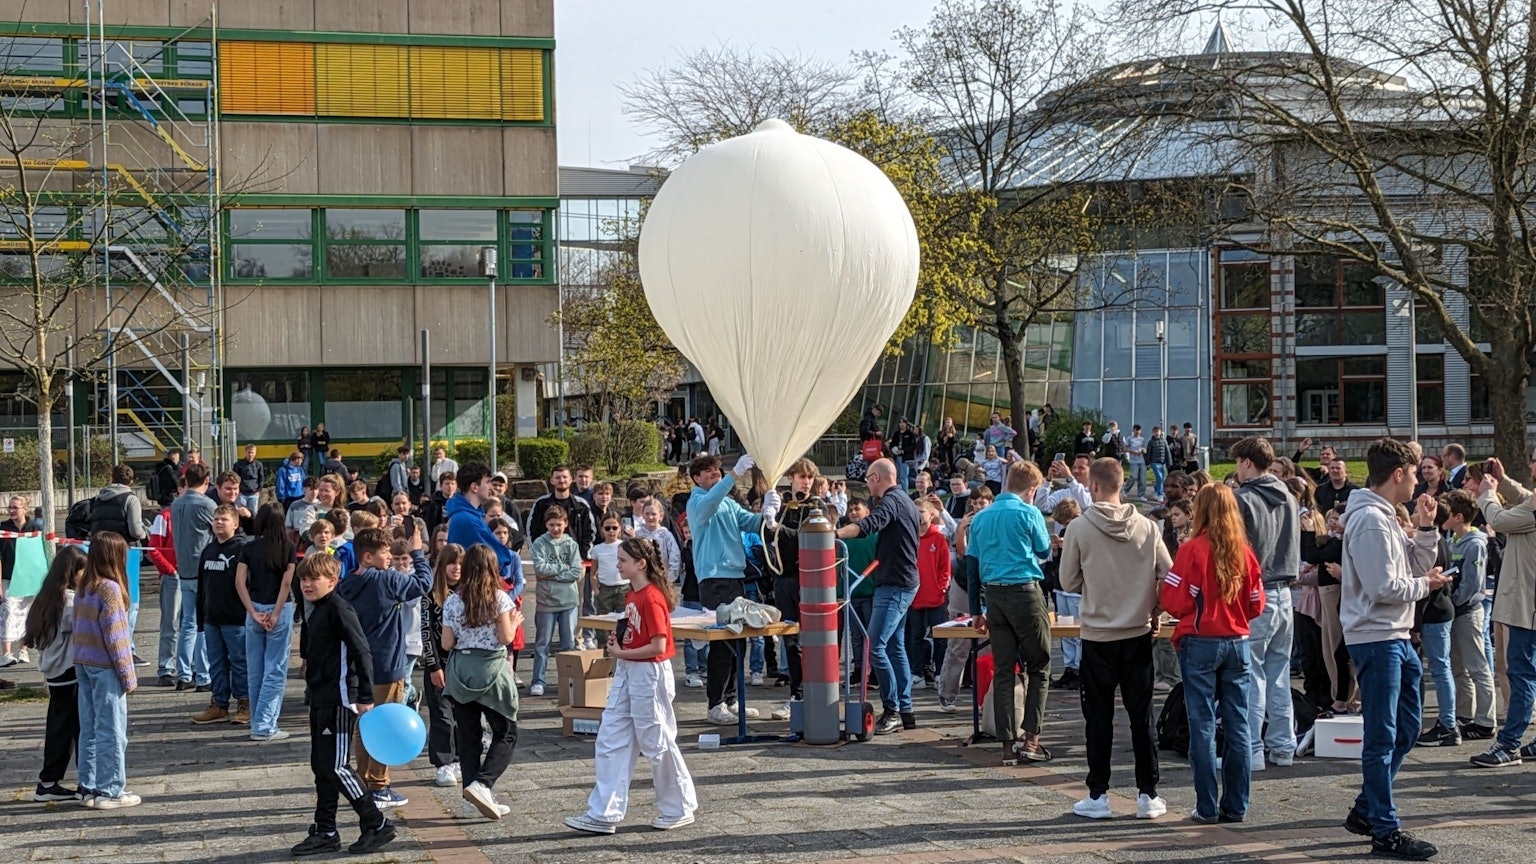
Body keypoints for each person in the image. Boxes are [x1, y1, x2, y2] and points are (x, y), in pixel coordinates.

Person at [1338, 438, 1448, 860]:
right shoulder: (1369, 519)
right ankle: (1384, 827)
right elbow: (1385, 587)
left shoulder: (1381, 516)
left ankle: (1368, 809)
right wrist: (1427, 585)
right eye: (1415, 472)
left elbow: (1413, 566)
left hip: (1395, 635)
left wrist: (1425, 528)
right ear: (1398, 474)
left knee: (1404, 728)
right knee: (1382, 735)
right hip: (1377, 636)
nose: (1419, 480)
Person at [1059, 458, 1171, 820]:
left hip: (1097, 633)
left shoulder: (1079, 527)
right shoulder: (1148, 527)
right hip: (1137, 631)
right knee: (1142, 716)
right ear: (1122, 483)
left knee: (1098, 717)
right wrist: (1154, 608)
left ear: (1093, 486)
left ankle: (1098, 794)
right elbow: (1168, 574)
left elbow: (1067, 582)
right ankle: (1147, 793)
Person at [566, 537, 698, 834]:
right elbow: (638, 634)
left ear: (641, 563)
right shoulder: (633, 596)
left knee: (656, 740)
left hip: (648, 673)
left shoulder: (651, 597)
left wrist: (622, 652)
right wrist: (621, 641)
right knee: (611, 737)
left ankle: (678, 806)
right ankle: (604, 812)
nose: (618, 565)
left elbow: (658, 645)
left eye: (623, 560)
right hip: (630, 671)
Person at [1159, 484, 1265, 824]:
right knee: (1239, 726)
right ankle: (1237, 805)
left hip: (1201, 640)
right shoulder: (1245, 552)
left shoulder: (1192, 550)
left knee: (1202, 725)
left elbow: (1173, 600)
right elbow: (1256, 604)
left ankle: (1206, 806)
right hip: (1237, 641)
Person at [289, 554, 395, 857]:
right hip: (320, 696)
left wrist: (364, 695)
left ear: (332, 581)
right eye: (304, 579)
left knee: (336, 766)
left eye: (314, 579)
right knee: (321, 767)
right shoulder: (315, 609)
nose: (307, 584)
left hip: (339, 698)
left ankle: (377, 823)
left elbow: (362, 650)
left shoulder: (338, 607)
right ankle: (325, 830)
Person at [336, 526, 432, 810]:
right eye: (384, 553)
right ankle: (379, 785)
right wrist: (417, 551)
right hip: (387, 665)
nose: (390, 557)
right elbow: (422, 583)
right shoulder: (386, 581)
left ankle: (364, 781)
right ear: (367, 557)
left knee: (363, 726)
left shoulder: (346, 584)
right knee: (385, 727)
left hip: (356, 667)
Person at [965, 461, 1052, 762]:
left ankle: (1006, 746)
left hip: (995, 597)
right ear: (1032, 489)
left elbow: (972, 568)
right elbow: (1043, 551)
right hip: (1025, 592)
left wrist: (976, 609)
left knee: (1004, 670)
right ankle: (1032, 740)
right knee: (1040, 666)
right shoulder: (1030, 512)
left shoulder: (981, 517)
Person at [836, 458, 921, 736]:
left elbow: (869, 524)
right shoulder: (905, 500)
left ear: (875, 478)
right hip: (901, 581)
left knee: (875, 646)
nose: (867, 485)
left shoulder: (891, 501)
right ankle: (905, 711)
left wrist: (832, 534)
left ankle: (893, 709)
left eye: (868, 479)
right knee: (894, 646)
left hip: (895, 584)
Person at [686, 453, 773, 725]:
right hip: (713, 579)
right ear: (697, 478)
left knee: (738, 641)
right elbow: (708, 507)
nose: (715, 476)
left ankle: (733, 698)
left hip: (735, 576)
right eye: (709, 473)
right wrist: (733, 475)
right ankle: (716, 702)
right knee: (723, 642)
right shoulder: (696, 501)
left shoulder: (728, 502)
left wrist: (768, 514)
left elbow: (748, 522)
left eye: (717, 472)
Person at [1229, 436, 1300, 770]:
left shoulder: (1243, 499)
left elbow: (1235, 550)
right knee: (1279, 673)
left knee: (1252, 673)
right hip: (1285, 591)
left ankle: (1252, 749)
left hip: (1257, 592)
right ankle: (1284, 746)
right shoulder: (1288, 494)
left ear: (1246, 462)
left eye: (1236, 463)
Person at [440, 545, 523, 820]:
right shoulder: (499, 598)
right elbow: (505, 638)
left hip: (462, 668)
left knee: (468, 735)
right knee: (506, 731)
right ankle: (483, 784)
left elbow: (447, 642)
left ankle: (469, 800)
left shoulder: (453, 600)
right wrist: (514, 621)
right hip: (491, 669)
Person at [1472, 454, 1536, 767]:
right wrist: (1505, 480)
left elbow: (1498, 521)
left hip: (1529, 607)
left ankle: (1509, 745)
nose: (1532, 464)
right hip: (1526, 603)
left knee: (1521, 673)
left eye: (1535, 460)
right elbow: (1525, 499)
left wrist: (1487, 492)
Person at [73, 532, 140, 809]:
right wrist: (128, 675)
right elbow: (117, 637)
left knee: (89, 727)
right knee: (113, 730)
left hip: (83, 662)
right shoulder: (110, 589)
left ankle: (88, 786)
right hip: (105, 665)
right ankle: (111, 789)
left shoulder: (84, 586)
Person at [24, 546, 87, 801]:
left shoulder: (46, 596)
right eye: (83, 571)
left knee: (59, 725)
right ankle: (83, 781)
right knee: (78, 728)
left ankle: (49, 780)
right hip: (69, 668)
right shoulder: (69, 601)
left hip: (53, 670)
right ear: (72, 572)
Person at [1436, 490, 1497, 742]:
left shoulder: (1475, 543)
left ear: (1459, 517)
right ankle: (1464, 714)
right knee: (1457, 667)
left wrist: (1452, 603)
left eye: (1447, 512)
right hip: (1455, 612)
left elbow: (1472, 584)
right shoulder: (1452, 540)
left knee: (1477, 667)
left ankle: (1486, 721)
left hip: (1468, 613)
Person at [237, 503, 297, 740]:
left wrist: (252, 611)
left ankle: (256, 720)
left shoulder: (249, 548)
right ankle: (264, 725)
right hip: (279, 610)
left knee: (256, 670)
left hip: (255, 609)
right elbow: (286, 583)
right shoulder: (288, 548)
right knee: (276, 668)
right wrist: (276, 612)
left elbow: (240, 582)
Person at [190, 505, 251, 726]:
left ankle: (245, 703)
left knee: (240, 663)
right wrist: (201, 619)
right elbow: (202, 588)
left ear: (235, 523)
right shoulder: (208, 550)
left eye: (224, 519)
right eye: (216, 519)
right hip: (211, 618)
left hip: (236, 619)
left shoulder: (243, 549)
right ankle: (219, 704)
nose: (218, 522)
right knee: (215, 664)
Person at [171, 463, 217, 692]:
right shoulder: (207, 505)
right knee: (203, 624)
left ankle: (183, 673)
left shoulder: (176, 504)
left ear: (186, 480)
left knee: (187, 623)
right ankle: (203, 675)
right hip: (204, 570)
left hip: (184, 568)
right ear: (207, 481)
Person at [529, 506, 583, 697]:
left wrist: (553, 574)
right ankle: (538, 680)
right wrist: (562, 568)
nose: (555, 529)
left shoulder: (571, 544)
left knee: (568, 643)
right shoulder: (539, 543)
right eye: (552, 525)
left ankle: (569, 680)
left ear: (565, 524)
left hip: (569, 601)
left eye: (559, 525)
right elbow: (539, 569)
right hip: (546, 601)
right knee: (542, 643)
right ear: (546, 525)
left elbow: (576, 571)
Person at [422, 544, 463, 788]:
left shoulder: (469, 593)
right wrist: (433, 665)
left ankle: (459, 756)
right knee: (442, 714)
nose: (456, 568)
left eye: (460, 563)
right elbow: (426, 632)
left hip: (464, 663)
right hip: (440, 663)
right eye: (452, 563)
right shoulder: (431, 595)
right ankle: (443, 762)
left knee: (463, 715)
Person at [906, 497, 952, 693]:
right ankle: (917, 674)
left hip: (935, 596)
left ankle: (941, 672)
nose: (918, 516)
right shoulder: (909, 538)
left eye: (922, 512)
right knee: (915, 636)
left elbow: (945, 567)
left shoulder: (938, 538)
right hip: (914, 596)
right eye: (915, 512)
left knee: (940, 636)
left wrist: (941, 587)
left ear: (931, 514)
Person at [0, 495, 43, 669]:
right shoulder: (3, 528)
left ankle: (23, 650)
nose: (11, 510)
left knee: (27, 613)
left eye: (15, 507)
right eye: (9, 507)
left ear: (25, 509)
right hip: (8, 577)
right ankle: (6, 653)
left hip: (28, 578)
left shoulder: (34, 528)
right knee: (9, 611)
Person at [89, 464, 147, 545]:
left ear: (112, 479)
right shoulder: (131, 499)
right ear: (131, 482)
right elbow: (136, 532)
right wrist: (145, 533)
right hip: (123, 547)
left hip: (99, 546)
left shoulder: (97, 499)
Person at [592, 514, 628, 615]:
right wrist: (597, 591)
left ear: (620, 528)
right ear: (602, 529)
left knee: (624, 623)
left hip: (624, 588)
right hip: (605, 589)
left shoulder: (625, 546)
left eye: (614, 528)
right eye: (607, 528)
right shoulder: (597, 549)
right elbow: (593, 574)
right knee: (603, 624)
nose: (611, 531)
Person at [233, 445, 265, 514]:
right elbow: (234, 479)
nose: (250, 454)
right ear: (245, 452)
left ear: (255, 453)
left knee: (253, 514)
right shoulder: (238, 465)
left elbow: (261, 478)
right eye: (249, 452)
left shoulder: (258, 465)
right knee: (241, 514)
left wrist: (258, 491)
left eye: (252, 452)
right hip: (241, 494)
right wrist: (238, 491)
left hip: (254, 494)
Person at [1124, 424, 1148, 500]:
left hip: (1141, 460)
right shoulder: (1130, 439)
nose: (1137, 432)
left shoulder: (1142, 439)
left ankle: (1141, 495)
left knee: (1142, 478)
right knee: (1134, 476)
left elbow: (1145, 449)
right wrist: (1133, 451)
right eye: (1136, 430)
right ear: (1133, 430)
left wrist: (1142, 450)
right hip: (1133, 461)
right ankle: (1125, 490)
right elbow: (1125, 449)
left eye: (1139, 430)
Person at [1146, 426, 1171, 501]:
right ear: (1153, 433)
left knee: (1163, 478)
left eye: (1158, 431)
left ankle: (1156, 491)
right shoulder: (1151, 442)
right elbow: (1149, 453)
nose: (1157, 433)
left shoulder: (1164, 441)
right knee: (1159, 477)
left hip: (1162, 462)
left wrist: (1169, 462)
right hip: (1154, 462)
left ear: (1160, 432)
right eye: (1155, 432)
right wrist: (1148, 463)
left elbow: (1167, 451)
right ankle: (1160, 494)